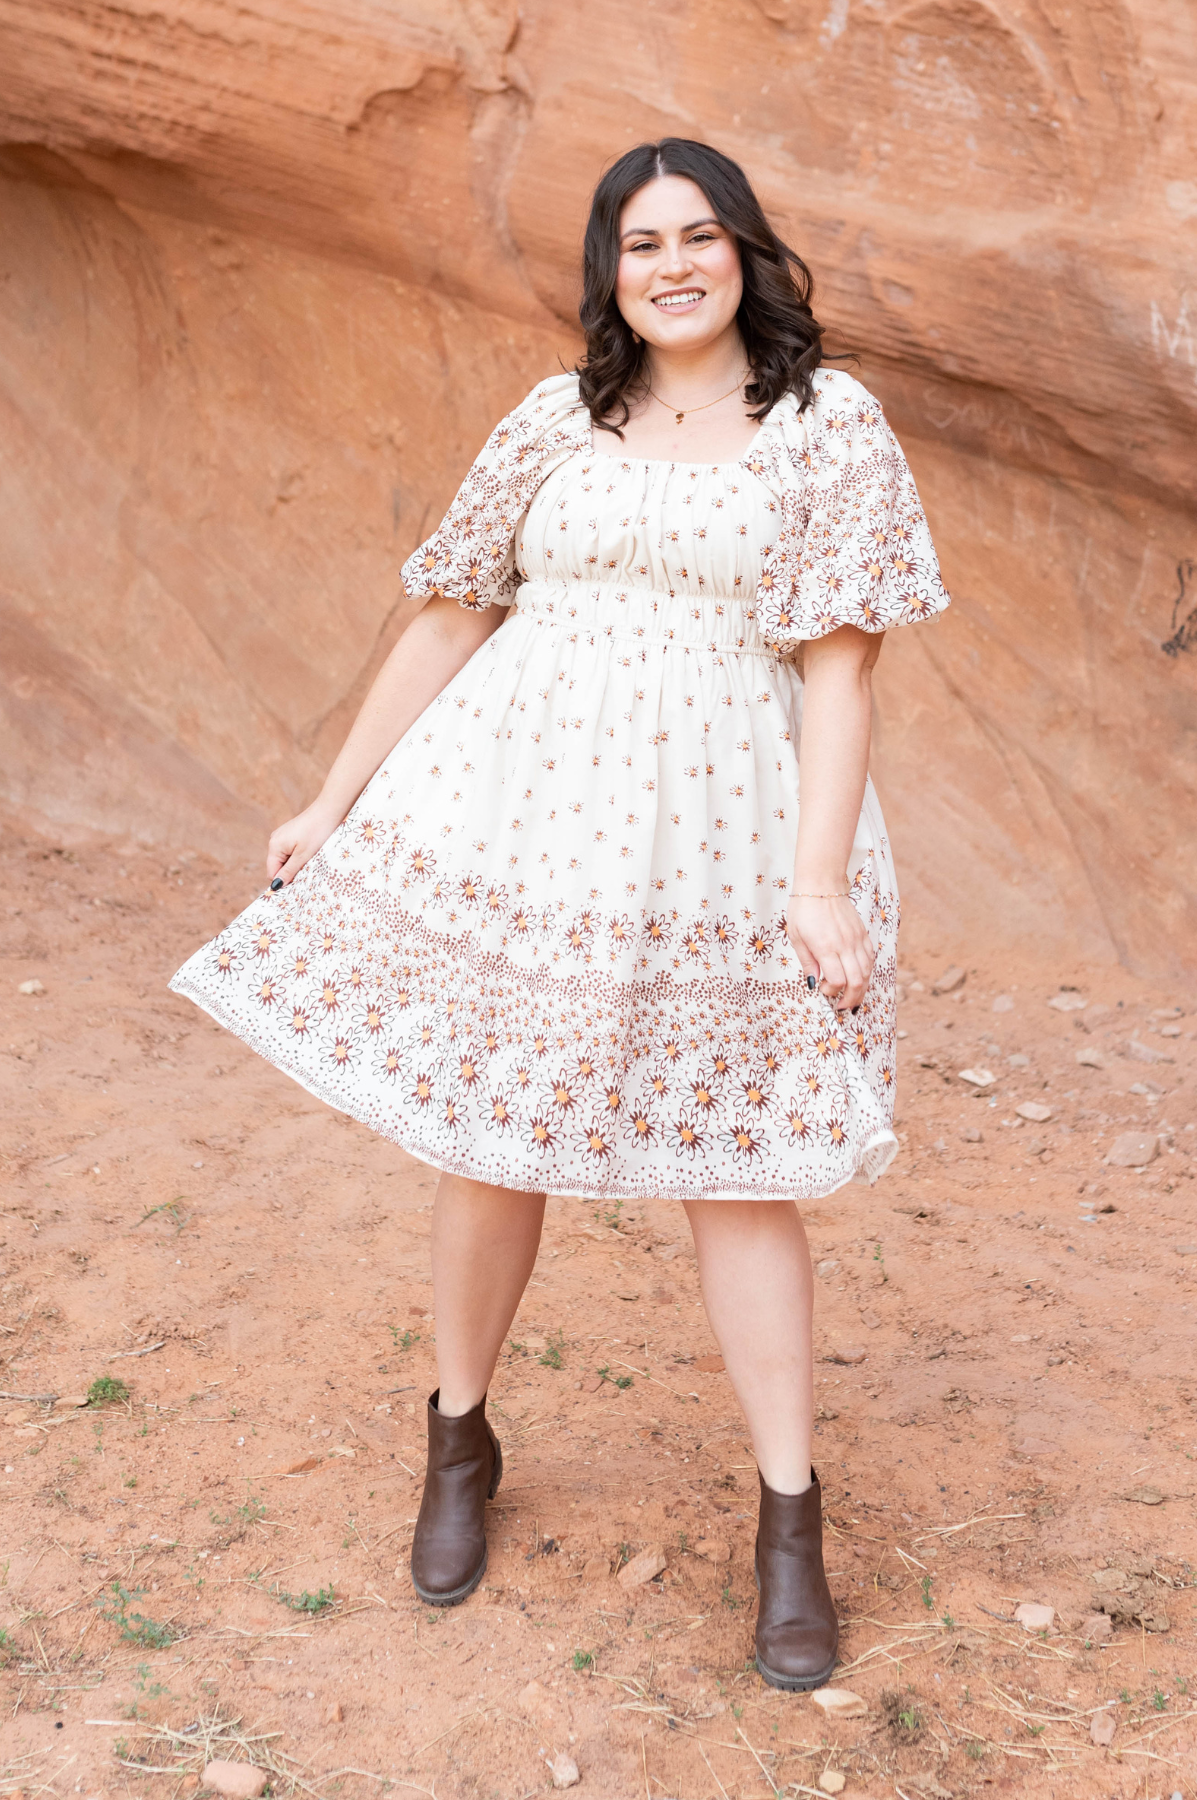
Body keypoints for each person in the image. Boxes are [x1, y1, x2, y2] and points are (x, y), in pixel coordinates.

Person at [171, 137, 949, 1691]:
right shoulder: (554, 416)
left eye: (700, 236)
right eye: (639, 241)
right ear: (608, 268)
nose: (671, 265)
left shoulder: (824, 425)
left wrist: (811, 884)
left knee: (741, 1166)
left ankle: (788, 1521)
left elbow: (842, 665)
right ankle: (458, 1441)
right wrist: (329, 802)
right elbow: (451, 609)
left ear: (746, 253)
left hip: (727, 832)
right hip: (521, 811)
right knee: (487, 1132)